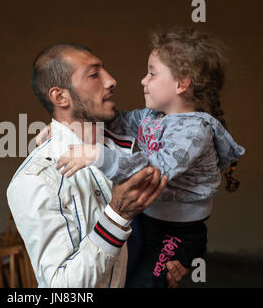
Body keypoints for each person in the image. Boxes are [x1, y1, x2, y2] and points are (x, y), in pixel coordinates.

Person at [55, 27, 246, 288]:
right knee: (120, 275)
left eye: (152, 73)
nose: (143, 80)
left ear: (181, 83)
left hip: (177, 233)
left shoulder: (193, 132)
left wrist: (98, 155)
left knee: (143, 284)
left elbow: (152, 171)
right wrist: (65, 124)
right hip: (147, 220)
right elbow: (116, 121)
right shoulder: (152, 118)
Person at [7, 43, 188, 288]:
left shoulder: (133, 147)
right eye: (94, 74)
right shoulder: (36, 180)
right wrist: (117, 215)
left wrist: (167, 258)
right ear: (60, 97)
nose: (112, 80)